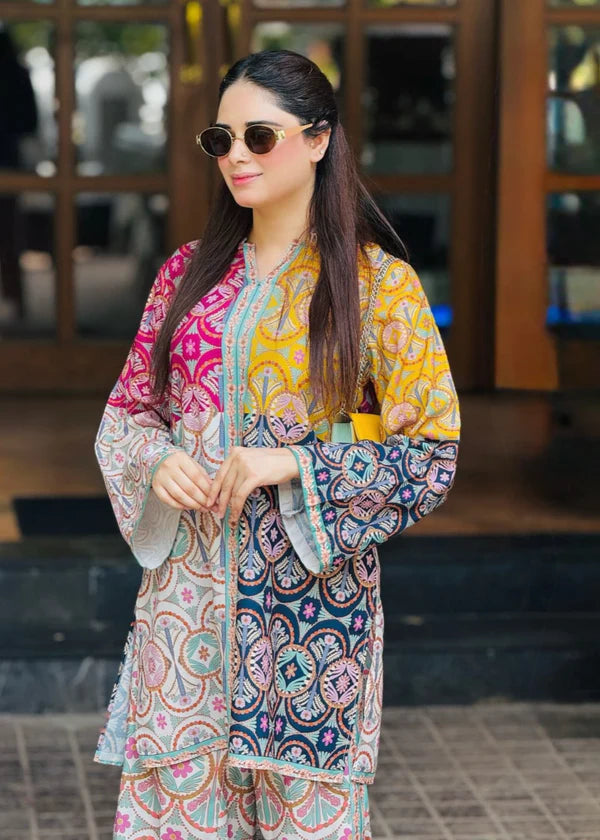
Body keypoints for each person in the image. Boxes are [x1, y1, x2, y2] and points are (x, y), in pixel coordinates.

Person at [93, 48, 460, 840]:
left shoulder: (377, 288)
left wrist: (294, 462)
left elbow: (431, 455)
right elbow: (128, 414)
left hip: (310, 629)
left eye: (260, 136)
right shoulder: (184, 277)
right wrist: (156, 461)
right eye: (220, 140)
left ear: (319, 139)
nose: (237, 156)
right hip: (184, 621)